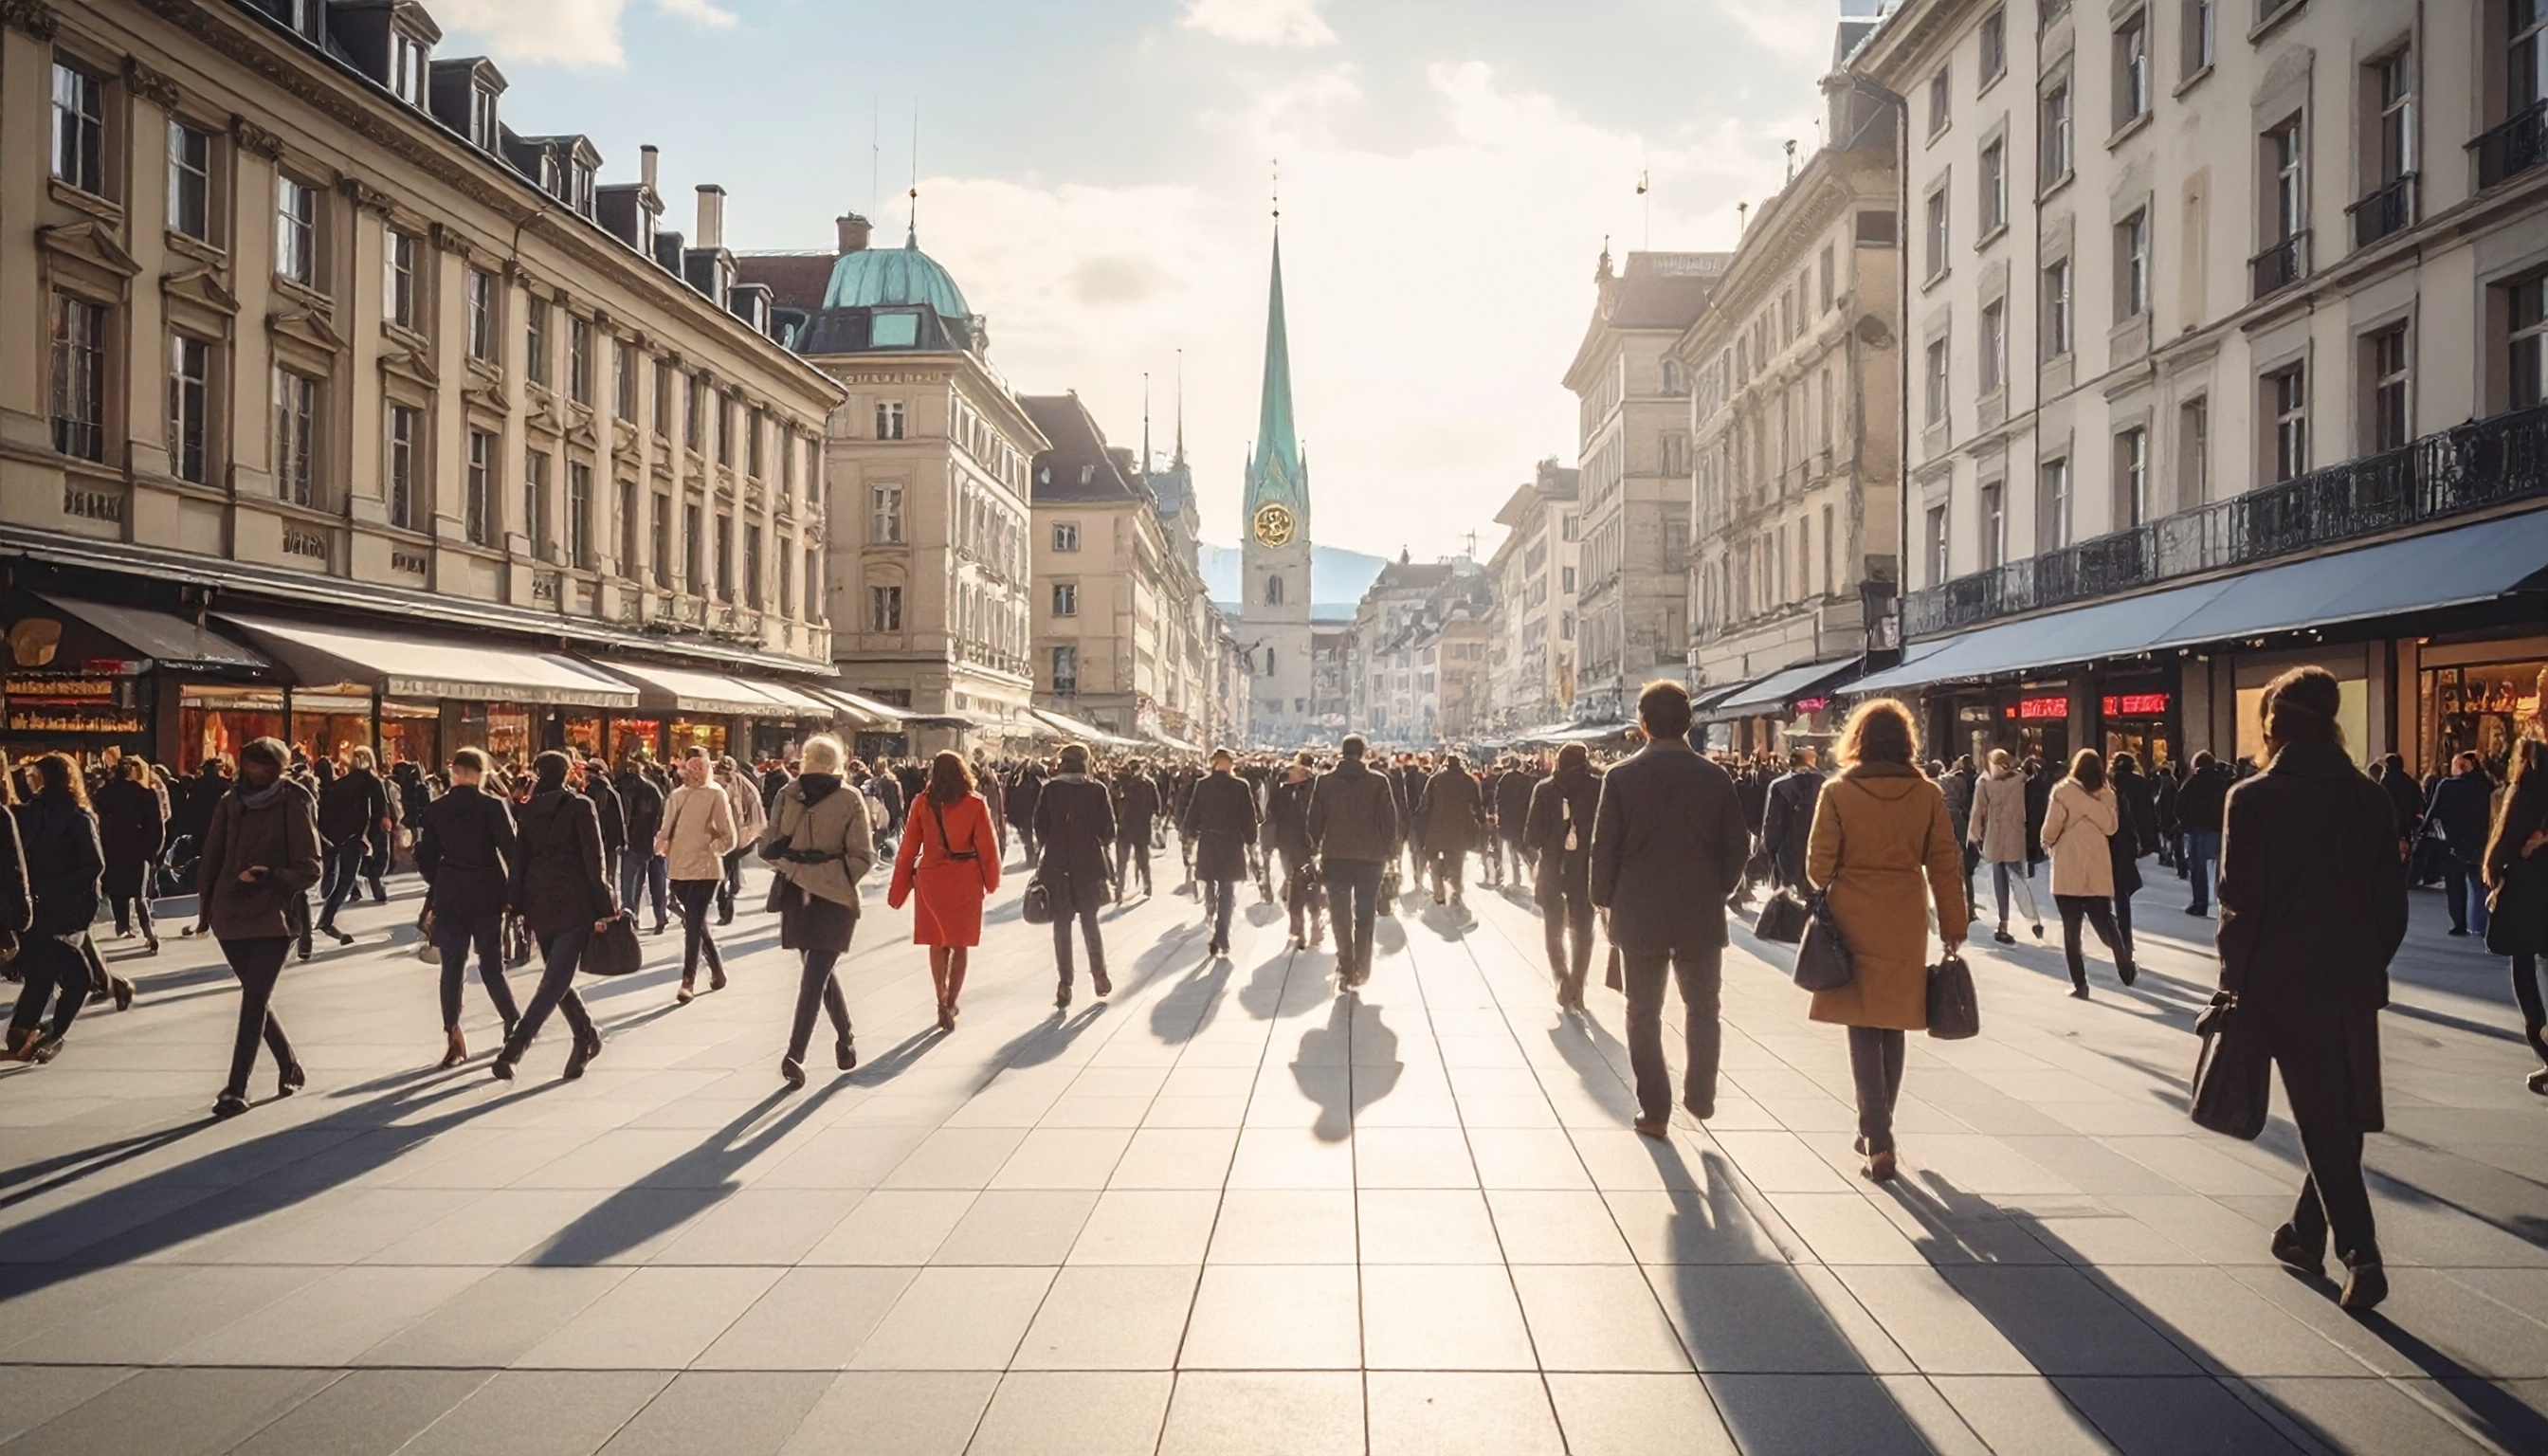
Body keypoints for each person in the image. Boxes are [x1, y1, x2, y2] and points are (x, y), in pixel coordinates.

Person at [2218, 665, 2408, 1312]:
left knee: (2327, 1119)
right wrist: (2364, 961)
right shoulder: (2369, 797)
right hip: (2348, 979)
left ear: (2273, 724)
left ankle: (2361, 1252)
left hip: (2276, 980)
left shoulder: (2253, 798)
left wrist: (2231, 985)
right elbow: (2392, 903)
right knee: (2337, 1112)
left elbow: (2239, 906)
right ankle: (2304, 1233)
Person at [1804, 700, 1967, 1182]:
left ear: (1857, 740)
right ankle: (1880, 1126)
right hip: (1903, 915)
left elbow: (1817, 869)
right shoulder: (1927, 795)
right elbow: (1944, 865)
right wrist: (1954, 926)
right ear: (1905, 742)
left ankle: (1878, 1137)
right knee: (1893, 1021)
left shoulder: (1836, 792)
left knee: (1861, 1024)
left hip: (1852, 914)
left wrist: (1842, 877)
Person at [1589, 681, 1753, 1139]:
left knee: (1642, 1012)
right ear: (1689, 722)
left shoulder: (1620, 777)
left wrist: (1602, 897)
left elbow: (1606, 847)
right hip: (1699, 909)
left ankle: (1655, 1110)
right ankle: (1700, 1094)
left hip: (1638, 910)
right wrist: (1719, 887)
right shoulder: (1714, 777)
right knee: (1703, 1009)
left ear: (1642, 724)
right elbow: (1737, 845)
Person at [192, 738, 318, 1115]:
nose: (256, 773)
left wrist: (270, 877)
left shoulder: (293, 801)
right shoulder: (231, 802)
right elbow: (212, 855)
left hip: (274, 914)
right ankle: (289, 1063)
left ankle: (236, 1088)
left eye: (265, 767)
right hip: (229, 913)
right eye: (250, 765)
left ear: (280, 768)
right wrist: (206, 909)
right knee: (256, 995)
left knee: (253, 1000)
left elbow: (310, 867)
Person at [492, 752, 614, 1083]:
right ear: (566, 774)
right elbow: (594, 858)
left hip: (538, 902)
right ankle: (526, 1047)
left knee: (555, 978)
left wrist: (515, 902)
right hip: (574, 901)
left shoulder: (528, 810)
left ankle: (574, 1038)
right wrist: (605, 905)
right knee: (555, 981)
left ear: (537, 774)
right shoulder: (580, 805)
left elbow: (519, 860)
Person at [767, 734, 877, 1083]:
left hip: (798, 893)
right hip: (834, 897)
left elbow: (769, 846)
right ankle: (839, 1039)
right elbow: (863, 854)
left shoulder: (788, 793)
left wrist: (796, 866)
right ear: (837, 762)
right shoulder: (850, 797)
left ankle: (798, 1053)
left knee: (815, 971)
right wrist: (839, 876)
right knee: (819, 970)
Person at [414, 747, 524, 1066]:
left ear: (455, 773)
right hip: (488, 891)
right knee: (490, 965)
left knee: (452, 967)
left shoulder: (436, 809)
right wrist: (514, 891)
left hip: (450, 893)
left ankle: (453, 1034)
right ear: (480, 773)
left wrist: (439, 883)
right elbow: (511, 849)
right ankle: (512, 1021)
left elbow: (426, 856)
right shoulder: (492, 806)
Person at [888, 751, 1000, 1029]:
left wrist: (899, 888)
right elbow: (988, 848)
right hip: (965, 879)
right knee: (960, 944)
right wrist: (992, 880)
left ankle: (940, 999)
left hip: (931, 879)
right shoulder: (975, 804)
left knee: (937, 942)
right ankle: (951, 1001)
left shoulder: (922, 803)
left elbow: (908, 849)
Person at [7, 755, 106, 1064]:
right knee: (77, 976)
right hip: (58, 912)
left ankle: (26, 1036)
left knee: (43, 976)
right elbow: (94, 865)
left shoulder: (21, 814)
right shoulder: (78, 817)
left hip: (28, 909)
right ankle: (44, 1035)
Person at [2041, 750, 2135, 996]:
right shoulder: (2107, 795)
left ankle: (2080, 985)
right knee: (2105, 922)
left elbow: (2050, 830)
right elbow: (2111, 827)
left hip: (2067, 869)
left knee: (2071, 933)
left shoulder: (2062, 792)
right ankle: (2124, 959)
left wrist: (2046, 842)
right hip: (2097, 867)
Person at [1308, 735, 1398, 990]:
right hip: (1371, 857)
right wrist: (1391, 852)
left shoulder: (1324, 782)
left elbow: (1314, 820)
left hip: (1335, 855)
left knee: (1339, 913)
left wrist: (1313, 847)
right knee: (1365, 913)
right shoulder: (1378, 782)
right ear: (1364, 753)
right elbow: (1389, 821)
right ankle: (1362, 966)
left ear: (1341, 752)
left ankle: (1345, 965)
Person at [2484, 737, 2548, 1092]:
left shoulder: (2528, 791)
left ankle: (2542, 1045)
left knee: (2525, 966)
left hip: (2529, 892)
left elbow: (2507, 841)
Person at [1032, 743, 1118, 1007]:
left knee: (1062, 924)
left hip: (1057, 865)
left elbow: (1040, 827)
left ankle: (1065, 983)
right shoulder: (1097, 790)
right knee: (1089, 921)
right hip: (1088, 865)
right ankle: (1099, 975)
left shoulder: (1049, 790)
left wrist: (1057, 842)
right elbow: (1109, 831)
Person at [1525, 742, 1603, 1010]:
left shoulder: (1545, 789)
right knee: (1583, 928)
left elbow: (1531, 837)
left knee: (1553, 927)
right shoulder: (1599, 788)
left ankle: (1561, 977)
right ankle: (1578, 985)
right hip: (1586, 871)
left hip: (1552, 869)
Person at [659, 749, 737, 1003]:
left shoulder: (716, 793)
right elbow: (666, 828)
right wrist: (662, 847)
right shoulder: (676, 795)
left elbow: (728, 834)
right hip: (681, 866)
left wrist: (712, 849)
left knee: (693, 920)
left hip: (706, 868)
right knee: (695, 921)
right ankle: (717, 970)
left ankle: (688, 979)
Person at [1183, 748, 1258, 957]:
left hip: (1209, 842)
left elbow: (1192, 815)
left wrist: (1188, 837)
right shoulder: (1240, 786)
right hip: (1231, 843)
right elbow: (1249, 817)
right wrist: (1251, 841)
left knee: (1211, 881)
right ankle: (1222, 933)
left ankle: (1212, 914)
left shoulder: (1203, 785)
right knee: (1227, 889)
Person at [314, 746, 391, 943]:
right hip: (357, 836)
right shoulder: (372, 782)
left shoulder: (343, 783)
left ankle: (326, 917)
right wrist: (374, 835)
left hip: (341, 836)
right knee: (346, 878)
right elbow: (380, 811)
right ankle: (326, 919)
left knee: (343, 877)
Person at [1967, 749, 2042, 943]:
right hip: (2015, 836)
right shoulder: (2020, 780)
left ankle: (2003, 924)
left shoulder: (1984, 782)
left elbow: (1978, 811)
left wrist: (1974, 836)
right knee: (2018, 879)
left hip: (1995, 835)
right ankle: (2034, 920)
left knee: (2000, 882)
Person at [96, 755, 167, 954]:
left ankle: (123, 927)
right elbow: (156, 827)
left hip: (112, 849)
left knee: (118, 892)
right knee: (139, 894)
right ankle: (148, 932)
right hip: (138, 849)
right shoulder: (146, 794)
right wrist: (153, 854)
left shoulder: (104, 794)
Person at [2425, 753, 2499, 939]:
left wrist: (2423, 832)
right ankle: (2481, 924)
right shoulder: (2485, 787)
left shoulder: (2446, 786)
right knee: (2478, 884)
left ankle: (2460, 923)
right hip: (2479, 842)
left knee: (2455, 885)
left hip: (2453, 843)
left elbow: (2433, 812)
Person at [1265, 753, 1324, 950]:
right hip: (1291, 845)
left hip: (1308, 845)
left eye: (1293, 771)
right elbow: (1271, 818)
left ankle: (1309, 922)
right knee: (1296, 883)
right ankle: (1300, 923)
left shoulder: (1317, 789)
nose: (1289, 775)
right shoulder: (1283, 792)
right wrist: (1268, 844)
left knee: (1308, 884)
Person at [1414, 752, 1485, 910]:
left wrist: (1421, 825)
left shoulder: (1435, 780)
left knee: (1434, 859)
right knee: (1457, 860)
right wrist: (1482, 821)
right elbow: (1477, 805)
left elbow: (1424, 805)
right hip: (1460, 829)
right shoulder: (1469, 781)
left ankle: (1439, 893)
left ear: (1446, 765)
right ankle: (1455, 892)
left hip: (1437, 828)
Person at [1759, 747, 1826, 896]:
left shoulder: (1780, 786)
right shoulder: (1825, 784)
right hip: (1818, 853)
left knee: (1788, 905)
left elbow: (1773, 825)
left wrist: (1770, 853)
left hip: (1787, 855)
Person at [615, 758, 668, 934]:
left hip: (635, 840)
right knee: (655, 880)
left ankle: (631, 916)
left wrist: (625, 838)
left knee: (630, 883)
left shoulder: (626, 789)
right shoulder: (653, 789)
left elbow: (625, 817)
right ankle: (659, 916)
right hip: (652, 839)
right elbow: (661, 814)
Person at [713, 756, 766, 925]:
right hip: (729, 834)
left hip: (729, 834)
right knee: (727, 867)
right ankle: (727, 898)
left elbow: (754, 805)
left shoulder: (734, 784)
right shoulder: (741, 783)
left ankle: (726, 900)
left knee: (725, 868)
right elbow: (755, 804)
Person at [2178, 750, 2232, 915]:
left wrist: (2186, 822)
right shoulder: (2223, 781)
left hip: (2198, 828)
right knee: (2221, 868)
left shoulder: (2194, 781)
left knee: (2198, 867)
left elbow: (2180, 804)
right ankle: (2223, 903)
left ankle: (2200, 903)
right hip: (2218, 828)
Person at [1114, 763, 1160, 900]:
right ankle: (1144, 886)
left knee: (1127, 859)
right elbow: (1157, 806)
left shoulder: (1125, 784)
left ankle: (1123, 887)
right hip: (1137, 826)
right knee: (1139, 858)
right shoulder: (1146, 784)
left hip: (1129, 825)